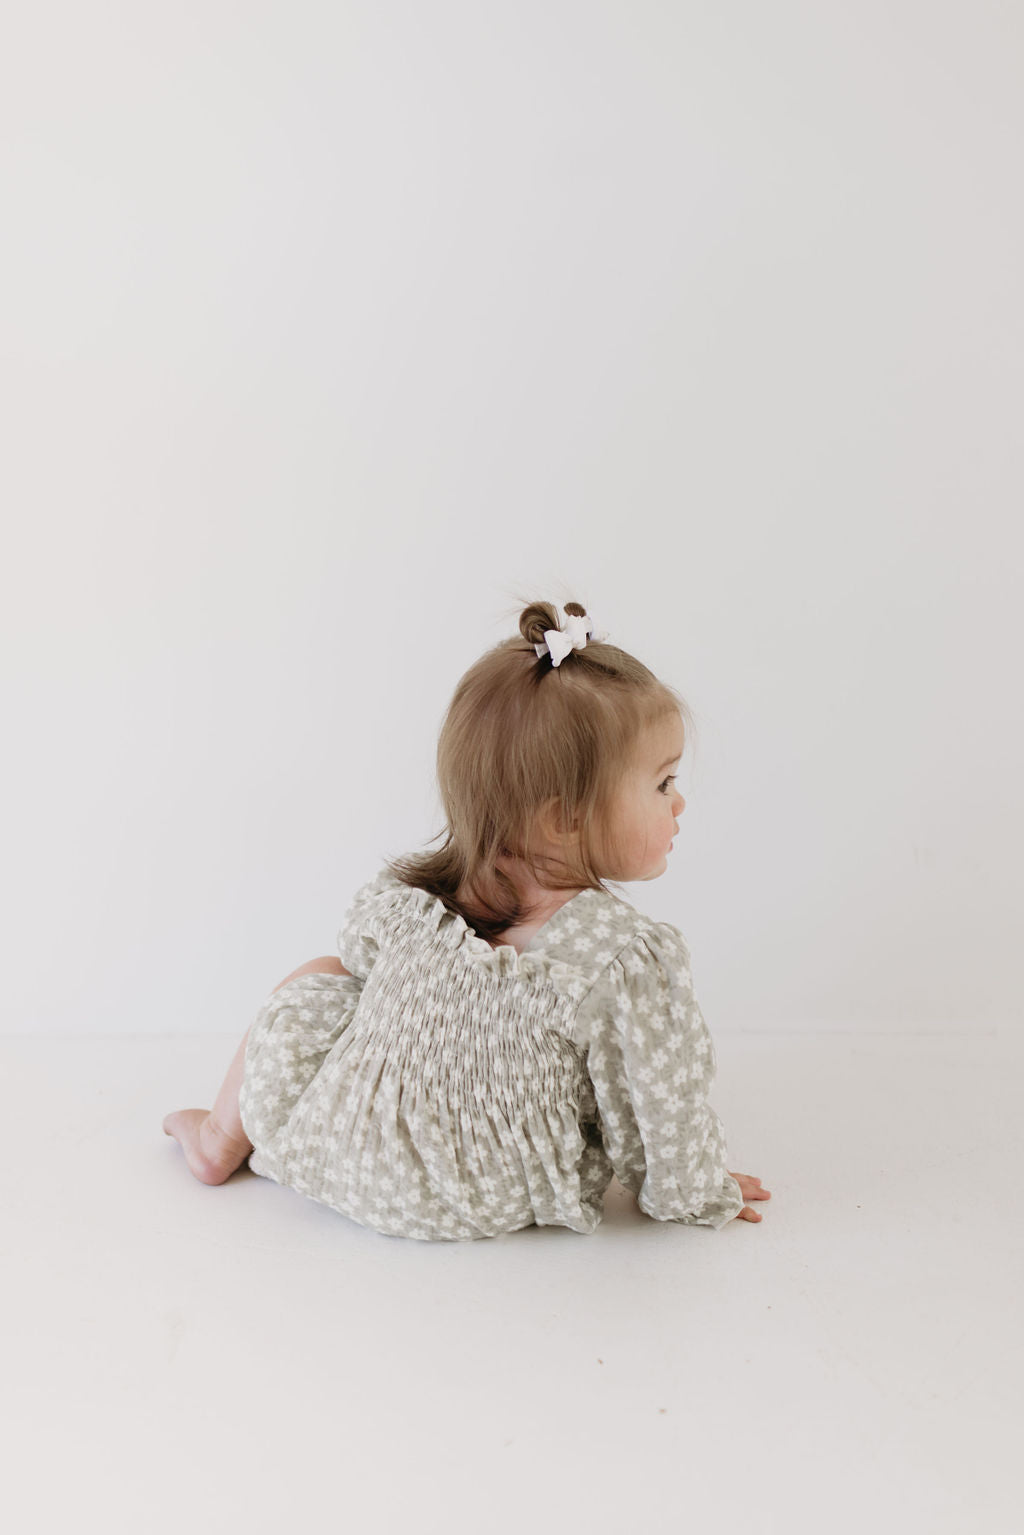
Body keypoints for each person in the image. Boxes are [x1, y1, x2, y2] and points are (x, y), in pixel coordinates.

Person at [163, 599, 771, 1240]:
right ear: (562, 817)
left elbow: (365, 970)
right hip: (482, 1191)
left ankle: (216, 1140)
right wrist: (699, 1188)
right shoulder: (620, 957)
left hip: (334, 1148)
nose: (679, 803)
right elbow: (659, 1103)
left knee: (323, 976)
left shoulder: (418, 904)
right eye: (662, 784)